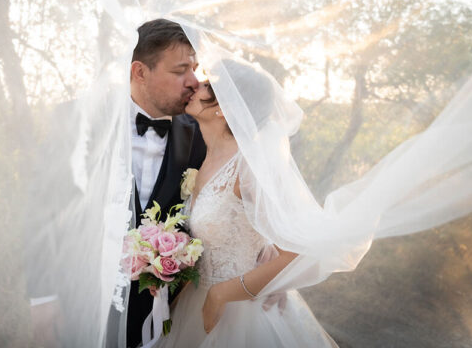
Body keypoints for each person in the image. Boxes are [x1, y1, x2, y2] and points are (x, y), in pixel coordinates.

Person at [156, 59, 337, 347]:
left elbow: (296, 253)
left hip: (239, 314)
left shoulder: (249, 168)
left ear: (224, 105)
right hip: (192, 303)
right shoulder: (203, 158)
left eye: (206, 84)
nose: (194, 85)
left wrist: (221, 294)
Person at [124, 18, 208, 348]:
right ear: (140, 72)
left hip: (164, 316)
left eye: (196, 69)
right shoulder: (83, 126)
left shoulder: (205, 132)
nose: (193, 82)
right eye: (180, 71)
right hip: (86, 302)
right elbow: (45, 218)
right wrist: (43, 301)